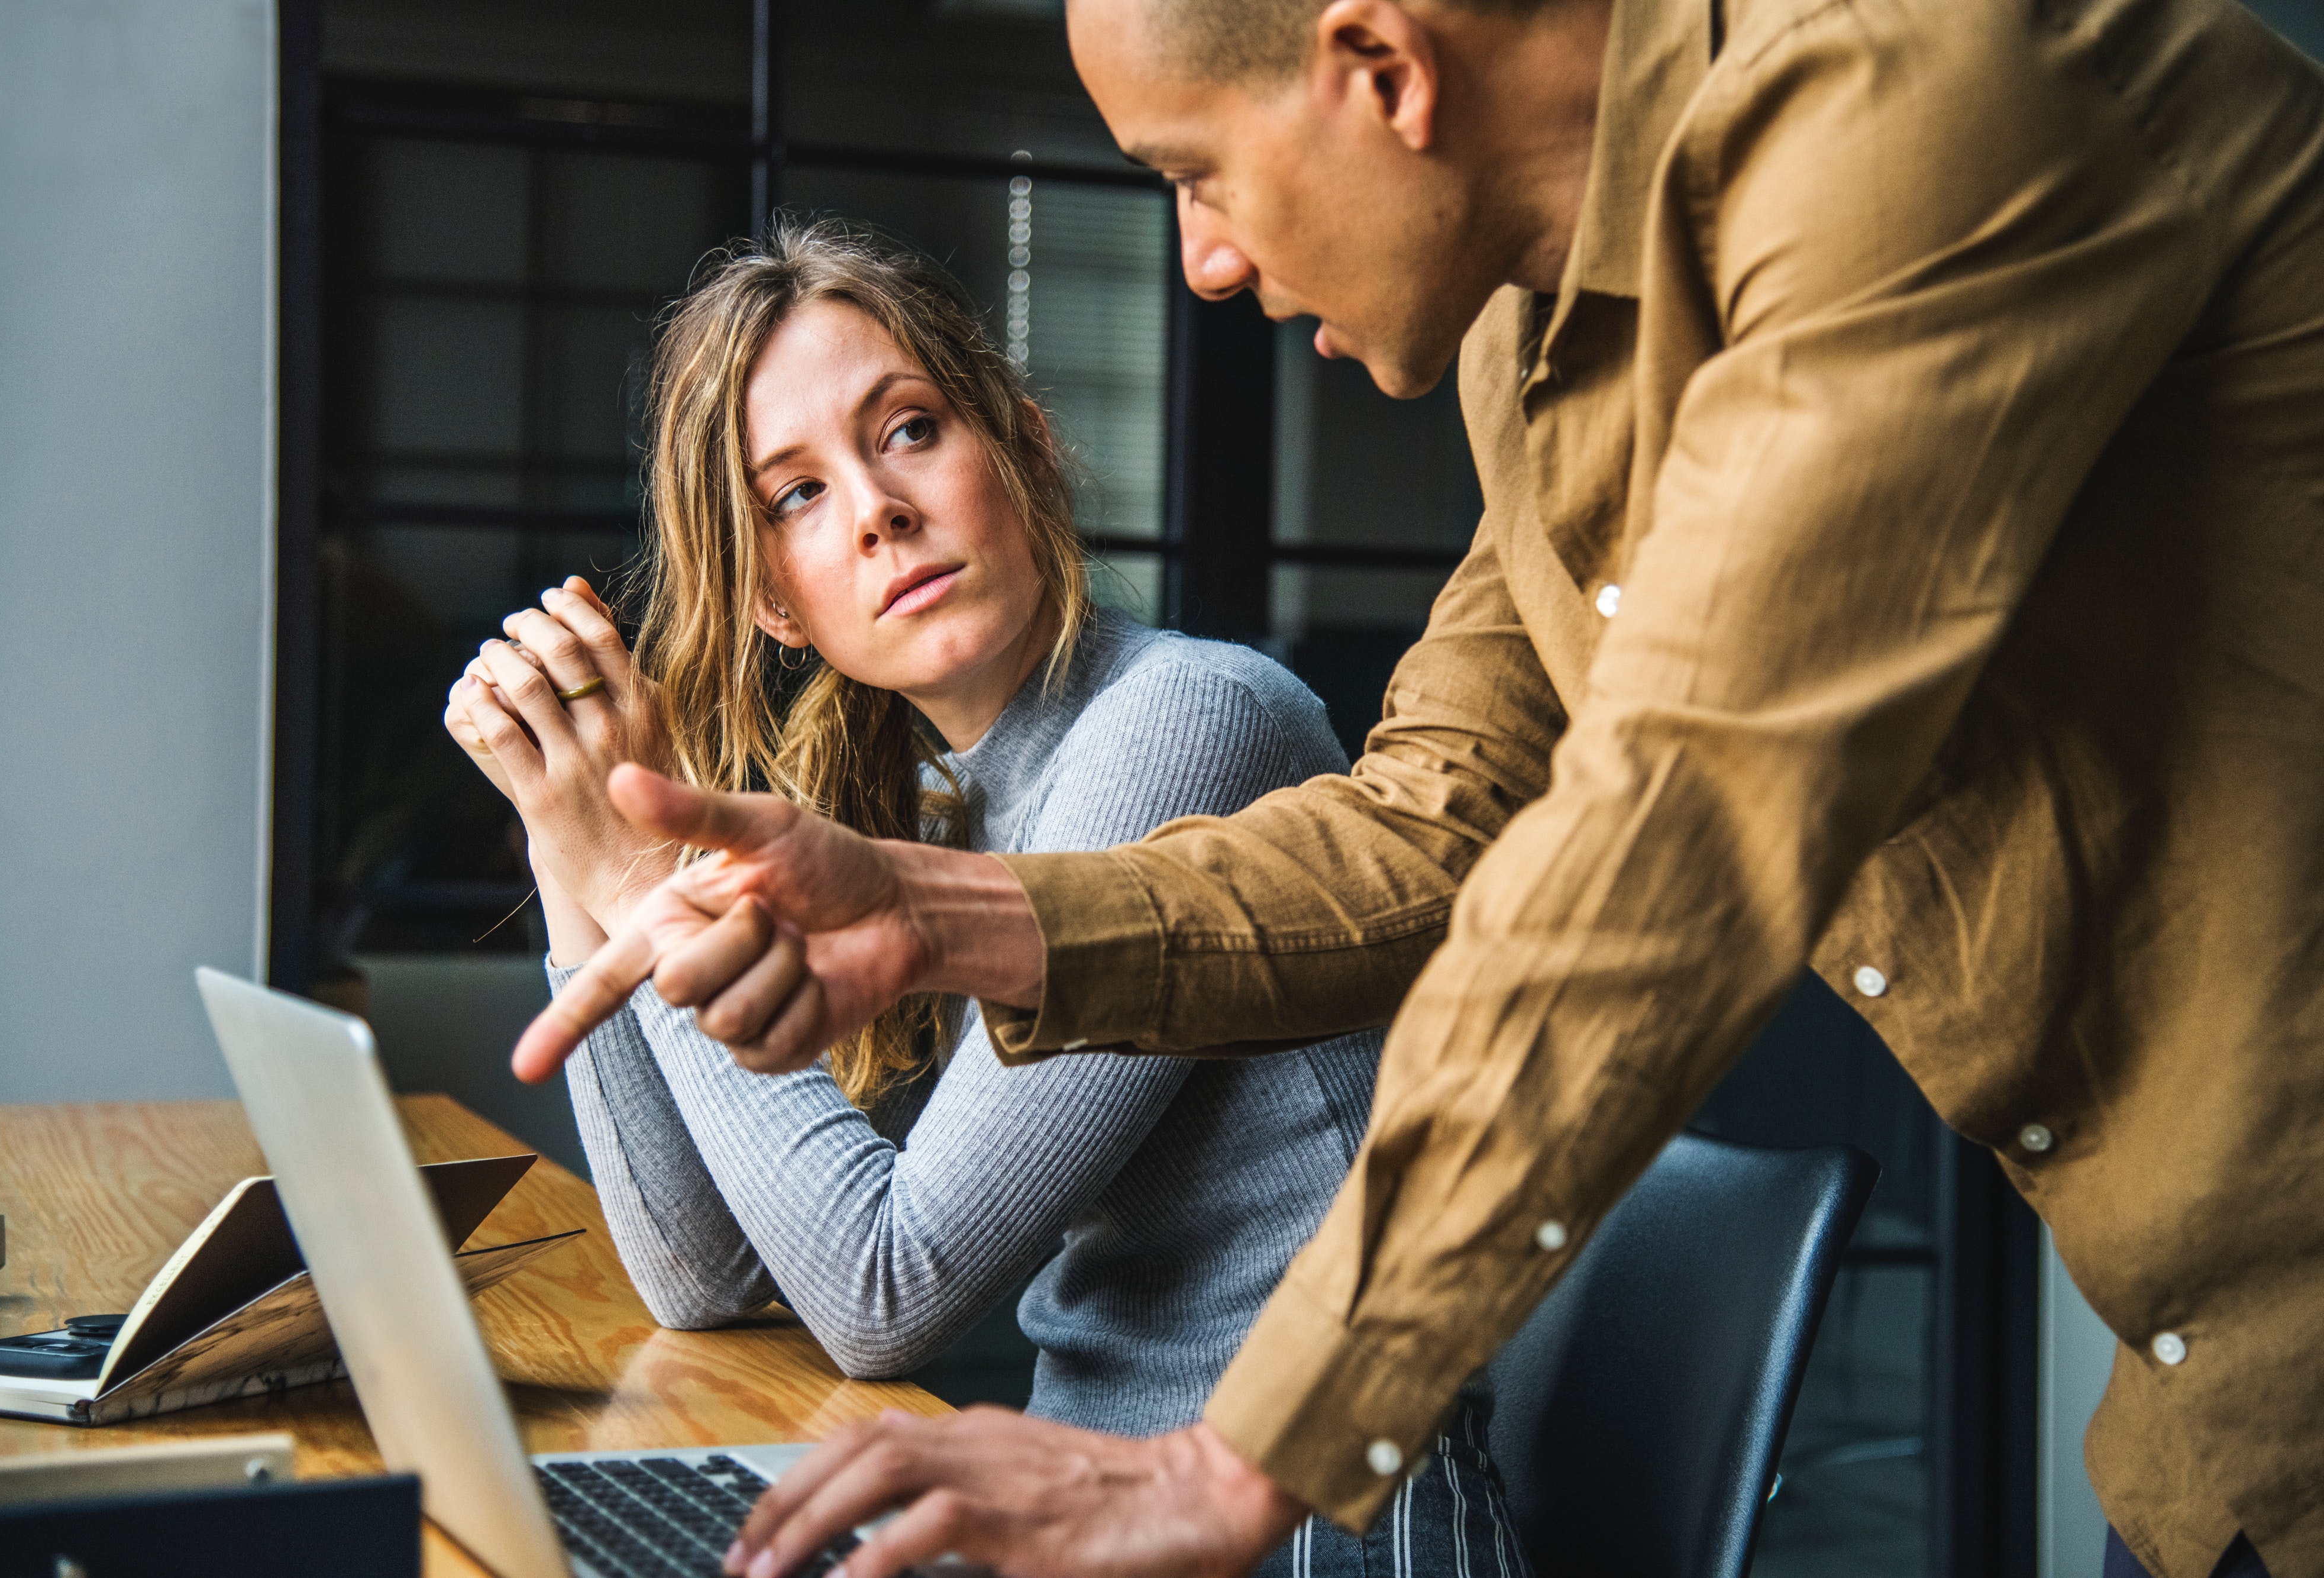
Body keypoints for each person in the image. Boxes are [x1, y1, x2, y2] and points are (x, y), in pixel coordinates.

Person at [518, 0, 2324, 1574]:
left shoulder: (1911, 112)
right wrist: (925, 911)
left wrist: (1246, 1458)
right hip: (2214, 1412)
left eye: (1193, 172)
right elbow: (1430, 825)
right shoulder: (1534, 352)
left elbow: (1677, 830)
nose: (1206, 261)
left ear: (1378, 65)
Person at [445, 221, 1527, 1578]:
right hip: (1085, 1517)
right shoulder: (932, 798)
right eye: (794, 497)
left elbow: (879, 1289)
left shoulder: (1187, 721)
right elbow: (702, 1279)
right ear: (779, 606)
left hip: (1307, 1533)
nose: (875, 510)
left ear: (1019, 443)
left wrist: (643, 882)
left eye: (905, 431)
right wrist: (571, 845)